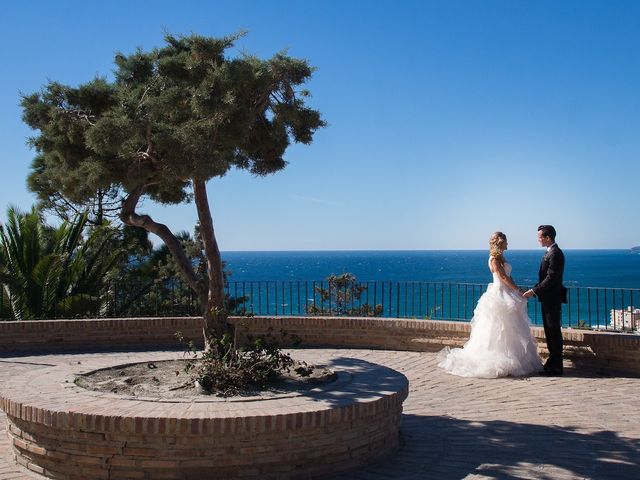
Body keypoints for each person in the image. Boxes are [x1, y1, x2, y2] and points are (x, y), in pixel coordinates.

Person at [438, 232, 542, 378]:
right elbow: (503, 277)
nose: (508, 244)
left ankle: (515, 360)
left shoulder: (502, 258)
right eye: (506, 241)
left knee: (511, 328)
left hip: (507, 293)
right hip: (499, 295)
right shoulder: (493, 260)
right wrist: (518, 290)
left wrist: (517, 290)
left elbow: (509, 276)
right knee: (497, 328)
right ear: (500, 243)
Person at [523, 225, 566, 376]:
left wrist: (534, 291)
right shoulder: (550, 252)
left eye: (540, 237)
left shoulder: (555, 253)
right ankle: (552, 362)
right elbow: (545, 278)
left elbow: (551, 278)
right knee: (549, 331)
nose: (538, 239)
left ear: (548, 238)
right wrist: (533, 290)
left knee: (553, 331)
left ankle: (557, 366)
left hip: (552, 298)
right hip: (548, 298)